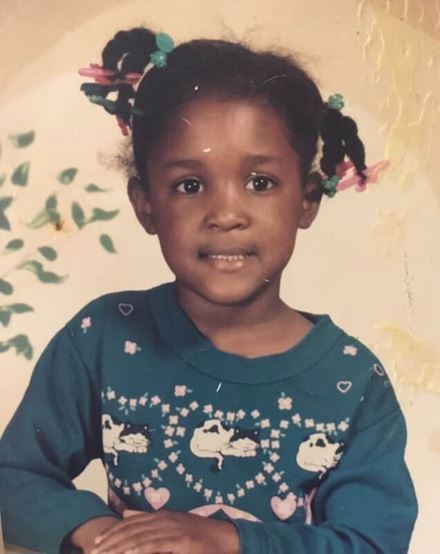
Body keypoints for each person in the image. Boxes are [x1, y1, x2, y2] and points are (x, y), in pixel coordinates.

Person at [0, 26, 417, 554]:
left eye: (260, 183)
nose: (225, 214)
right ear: (145, 205)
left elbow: (373, 543)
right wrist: (108, 536)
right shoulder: (102, 338)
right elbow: (15, 475)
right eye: (190, 185)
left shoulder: (354, 384)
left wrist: (228, 539)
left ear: (307, 199)